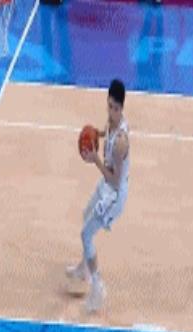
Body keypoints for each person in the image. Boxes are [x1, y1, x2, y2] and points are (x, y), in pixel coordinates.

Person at [66, 79, 130, 313]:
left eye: (115, 108)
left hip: (114, 195)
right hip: (106, 186)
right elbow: (107, 132)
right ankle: (84, 269)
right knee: (85, 215)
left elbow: (115, 180)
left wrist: (95, 161)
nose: (111, 111)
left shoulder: (121, 143)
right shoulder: (112, 123)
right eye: (109, 106)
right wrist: (96, 134)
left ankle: (98, 287)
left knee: (86, 235)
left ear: (122, 107)